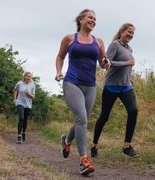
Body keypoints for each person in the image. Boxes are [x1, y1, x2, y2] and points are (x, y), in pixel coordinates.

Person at [55, 9, 109, 175]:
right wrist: (58, 72)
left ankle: (66, 139)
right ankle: (84, 161)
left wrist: (106, 63)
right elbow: (60, 57)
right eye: (90, 18)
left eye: (95, 19)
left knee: (82, 120)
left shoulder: (98, 41)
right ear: (81, 19)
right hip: (72, 82)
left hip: (90, 85)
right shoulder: (70, 38)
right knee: (82, 119)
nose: (93, 20)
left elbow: (102, 61)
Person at [91, 23, 139, 158]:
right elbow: (107, 64)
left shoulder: (130, 48)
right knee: (104, 117)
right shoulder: (115, 45)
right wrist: (127, 63)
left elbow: (128, 67)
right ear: (122, 32)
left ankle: (126, 146)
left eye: (133, 33)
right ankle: (94, 145)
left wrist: (130, 78)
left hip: (126, 86)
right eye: (129, 32)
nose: (131, 35)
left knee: (133, 111)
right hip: (111, 86)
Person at [13, 72, 35, 144]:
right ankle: (19, 136)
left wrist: (29, 94)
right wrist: (15, 99)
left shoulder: (32, 85)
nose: (29, 78)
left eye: (30, 77)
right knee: (21, 118)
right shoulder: (19, 83)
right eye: (28, 76)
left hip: (28, 104)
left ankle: (24, 132)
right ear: (24, 76)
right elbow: (15, 90)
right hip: (20, 103)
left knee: (25, 119)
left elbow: (33, 97)